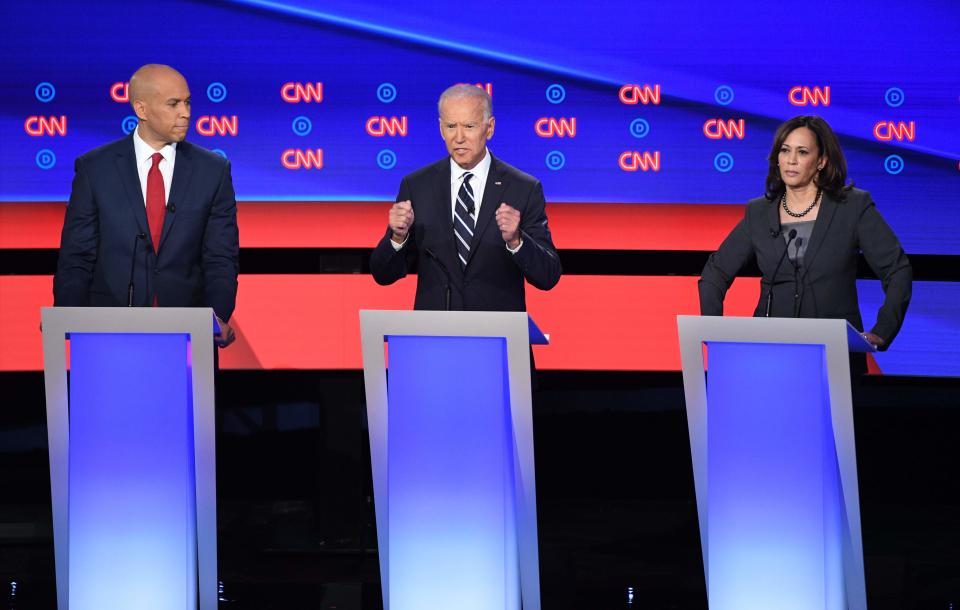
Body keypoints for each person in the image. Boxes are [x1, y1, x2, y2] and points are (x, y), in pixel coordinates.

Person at [54, 64, 239, 347]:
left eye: (188, 102)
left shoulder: (213, 171)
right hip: (107, 331)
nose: (186, 113)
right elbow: (77, 255)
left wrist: (218, 317)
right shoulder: (95, 169)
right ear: (141, 109)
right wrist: (65, 314)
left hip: (188, 334)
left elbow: (220, 258)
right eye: (173, 104)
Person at [699, 115, 912, 356]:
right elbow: (715, 272)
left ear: (821, 161)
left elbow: (897, 270)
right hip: (769, 353)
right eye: (785, 150)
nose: (790, 160)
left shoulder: (852, 207)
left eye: (802, 152)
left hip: (833, 354)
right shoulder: (759, 212)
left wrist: (883, 330)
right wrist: (712, 328)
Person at [370, 84, 561, 311]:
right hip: (436, 338)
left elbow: (548, 275)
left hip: (499, 337)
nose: (459, 137)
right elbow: (383, 275)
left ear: (489, 128)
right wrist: (397, 237)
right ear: (441, 129)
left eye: (469, 126)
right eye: (451, 126)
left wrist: (517, 241)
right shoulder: (417, 186)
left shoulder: (522, 188)